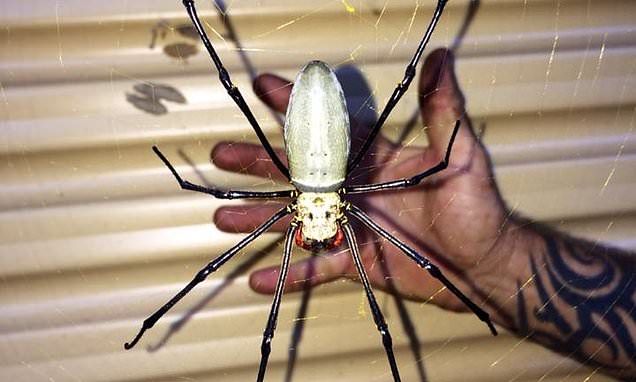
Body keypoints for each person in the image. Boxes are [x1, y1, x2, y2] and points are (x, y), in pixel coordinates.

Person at [211, 48, 635, 380]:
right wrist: (498, 262)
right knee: (311, 326)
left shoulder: (317, 211)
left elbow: (430, 175)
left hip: (308, 167)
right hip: (321, 162)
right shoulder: (353, 211)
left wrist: (494, 261)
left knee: (375, 325)